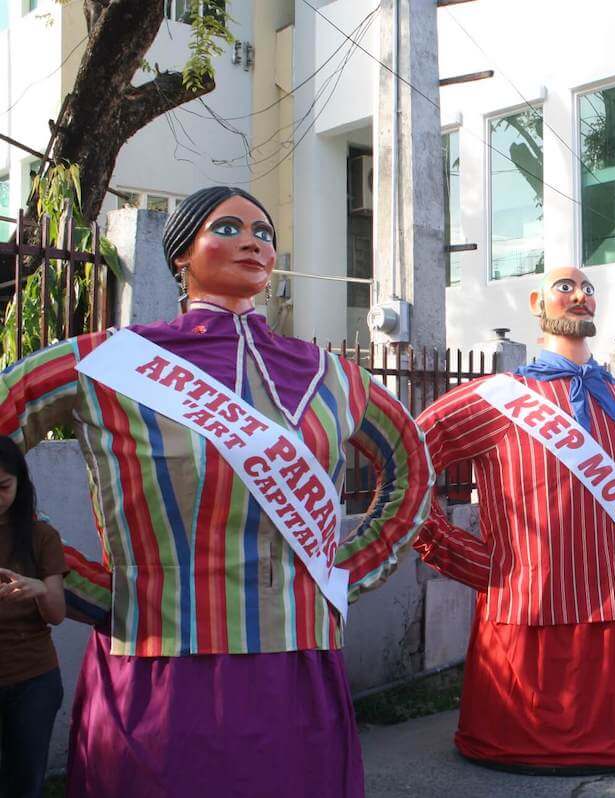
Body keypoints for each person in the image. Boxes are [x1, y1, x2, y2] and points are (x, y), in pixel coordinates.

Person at [0, 186, 435, 797]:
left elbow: (412, 467)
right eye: (227, 228)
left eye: (264, 232)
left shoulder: (334, 377)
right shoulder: (106, 362)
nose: (253, 241)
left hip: (297, 664)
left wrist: (345, 573)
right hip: (157, 665)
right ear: (180, 253)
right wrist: (73, 582)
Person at [413, 267, 615, 773]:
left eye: (588, 289)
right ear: (537, 302)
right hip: (527, 593)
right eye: (565, 287)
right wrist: (467, 558)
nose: (579, 296)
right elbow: (410, 463)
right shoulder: (493, 397)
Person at [0, 437, 66, 797]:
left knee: (24, 782)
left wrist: (39, 589)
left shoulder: (41, 535)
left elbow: (56, 614)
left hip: (33, 679)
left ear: (20, 484)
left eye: (3, 487)